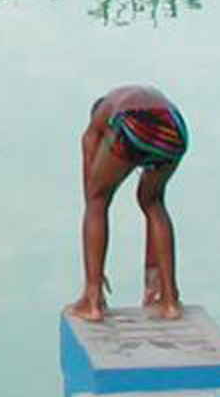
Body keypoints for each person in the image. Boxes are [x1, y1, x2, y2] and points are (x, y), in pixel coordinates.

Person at [68, 85, 189, 322]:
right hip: (174, 125)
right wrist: (150, 275)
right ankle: (169, 299)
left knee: (97, 200)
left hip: (131, 123)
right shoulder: (127, 97)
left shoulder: (95, 127)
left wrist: (95, 276)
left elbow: (91, 196)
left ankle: (92, 302)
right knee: (153, 201)